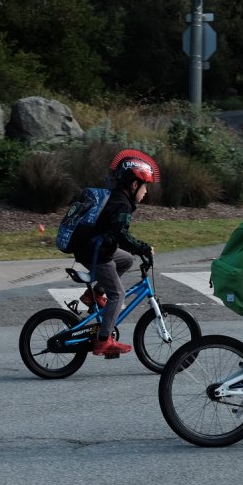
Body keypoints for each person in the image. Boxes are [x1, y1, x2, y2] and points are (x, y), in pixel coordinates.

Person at [73, 150, 158, 358]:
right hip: (96, 253)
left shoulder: (119, 198)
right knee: (118, 294)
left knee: (126, 259)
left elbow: (118, 235)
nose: (146, 192)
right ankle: (104, 340)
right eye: (145, 186)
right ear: (135, 185)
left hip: (94, 248)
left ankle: (93, 296)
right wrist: (143, 247)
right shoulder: (120, 203)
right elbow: (121, 234)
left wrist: (135, 250)